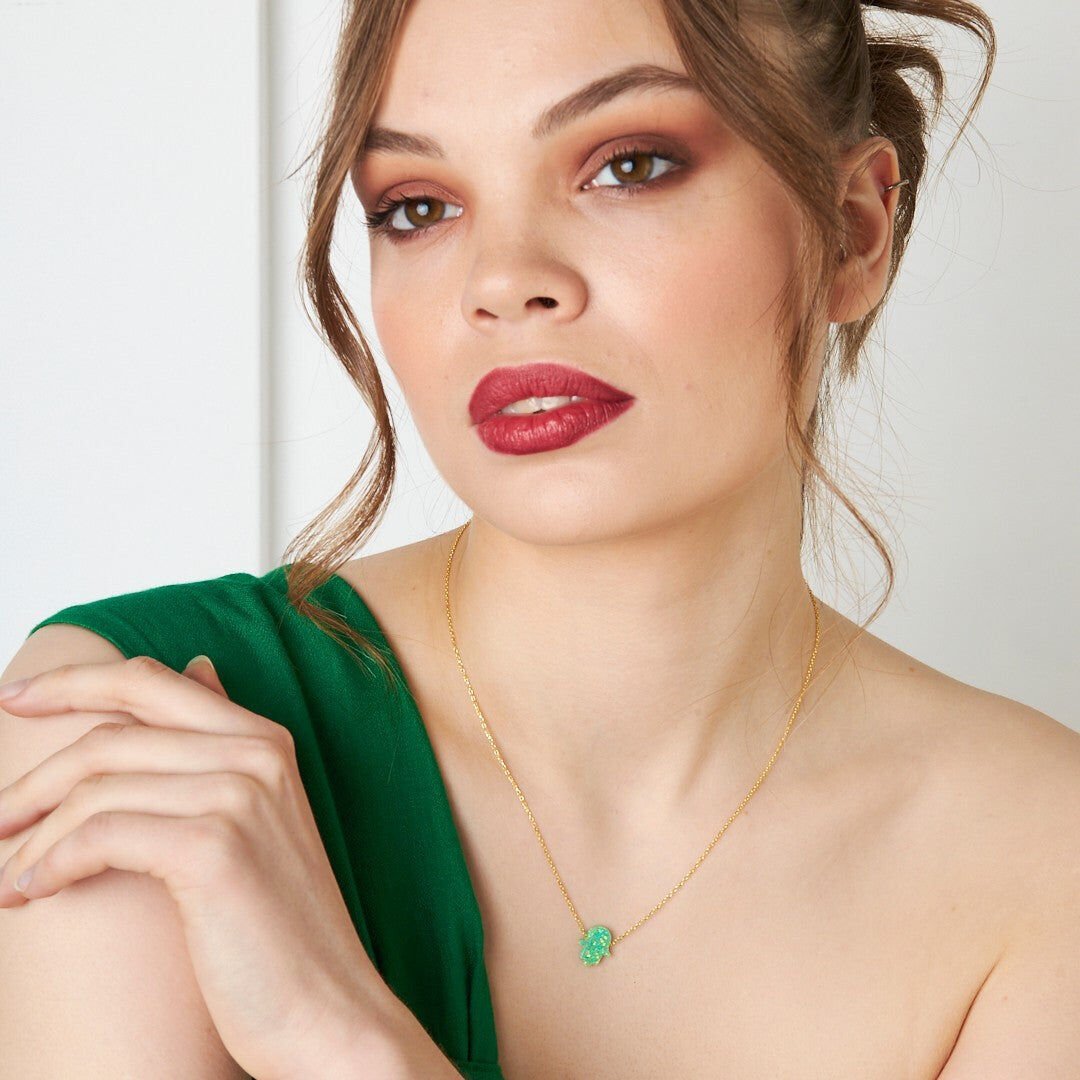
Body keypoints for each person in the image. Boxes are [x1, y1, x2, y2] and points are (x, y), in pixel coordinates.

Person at [2, 0, 1077, 1077]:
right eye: (419, 206)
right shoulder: (142, 736)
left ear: (853, 230)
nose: (503, 280)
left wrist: (338, 1036)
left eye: (629, 167)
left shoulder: (1041, 850)